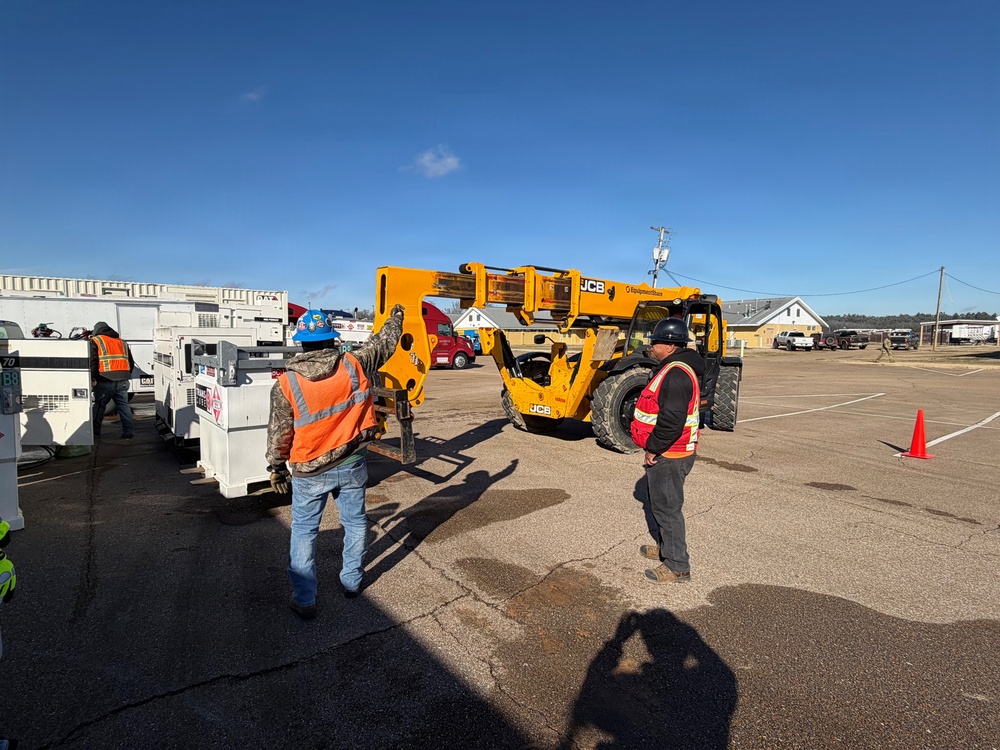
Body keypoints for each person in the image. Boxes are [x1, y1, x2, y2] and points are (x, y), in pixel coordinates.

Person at [267, 305, 404, 619]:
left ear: (301, 343)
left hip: (309, 469)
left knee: (304, 532)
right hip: (351, 461)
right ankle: (352, 582)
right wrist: (396, 316)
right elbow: (384, 343)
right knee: (355, 524)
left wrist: (275, 467)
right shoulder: (354, 364)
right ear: (332, 339)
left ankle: (304, 599)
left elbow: (279, 433)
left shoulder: (286, 384)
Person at [631, 317, 705, 584]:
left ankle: (677, 566)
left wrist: (653, 448)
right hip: (672, 451)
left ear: (671, 346)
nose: (652, 346)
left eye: (657, 342)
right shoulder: (674, 368)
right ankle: (666, 549)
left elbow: (672, 420)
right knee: (663, 505)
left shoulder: (675, 374)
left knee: (667, 508)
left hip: (670, 453)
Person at [89, 321, 136, 439]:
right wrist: (125, 375)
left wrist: (92, 378)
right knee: (123, 406)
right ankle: (128, 432)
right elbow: (130, 362)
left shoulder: (96, 341)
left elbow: (93, 362)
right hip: (123, 380)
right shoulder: (122, 342)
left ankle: (95, 432)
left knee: (99, 406)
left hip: (105, 379)